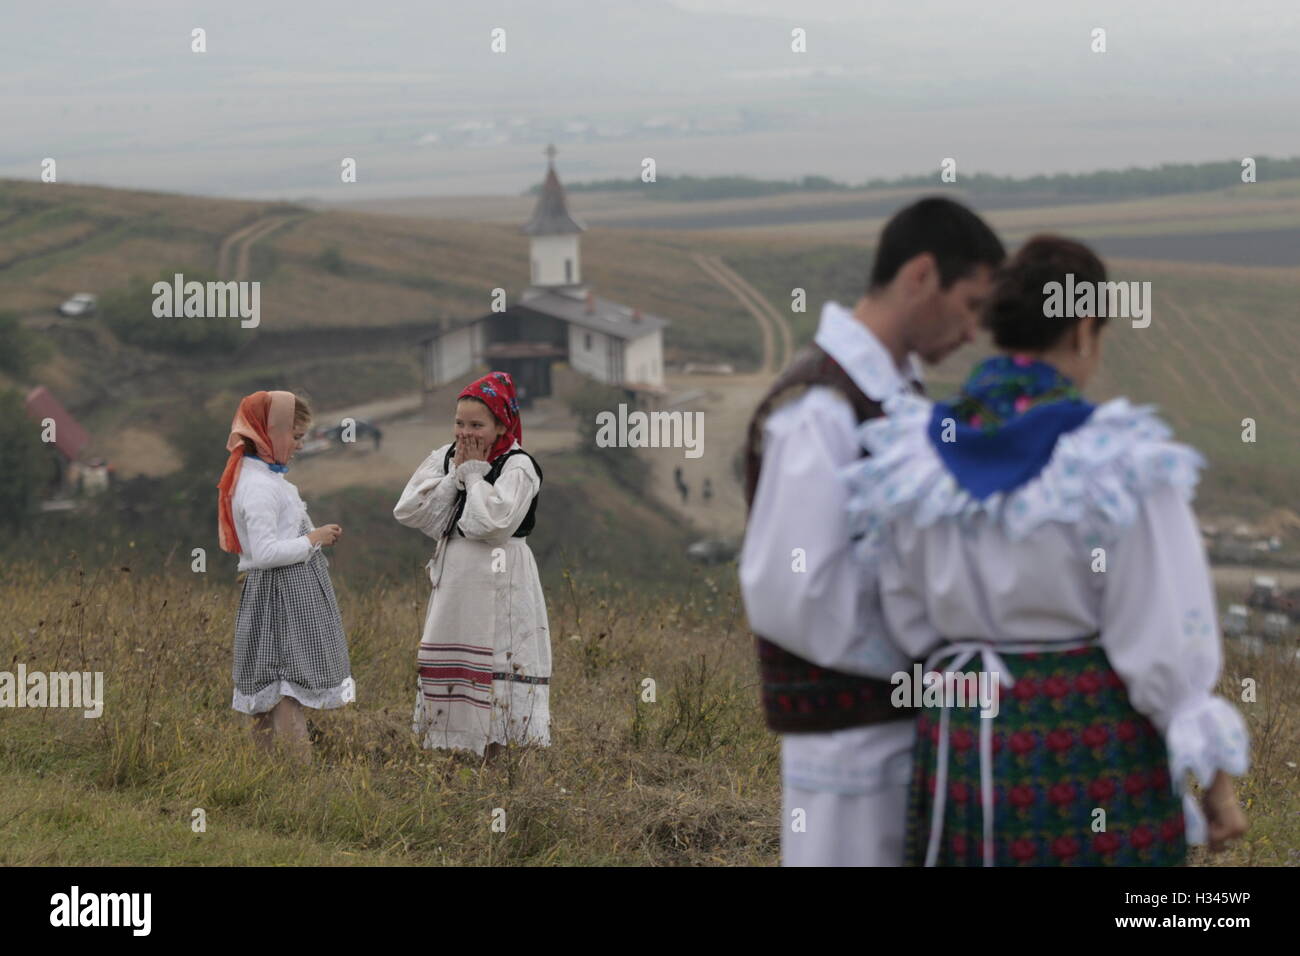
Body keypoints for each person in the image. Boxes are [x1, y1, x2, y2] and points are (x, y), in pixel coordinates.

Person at [843, 235, 1249, 865]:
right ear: (1085, 329)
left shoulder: (915, 458)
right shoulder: (1114, 463)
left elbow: (904, 616)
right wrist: (1216, 779)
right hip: (1086, 742)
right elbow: (1167, 636)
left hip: (960, 742)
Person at [739, 197, 1005, 865]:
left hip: (900, 735)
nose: (975, 332)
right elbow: (793, 594)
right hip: (846, 750)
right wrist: (935, 634)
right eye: (970, 304)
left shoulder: (897, 400)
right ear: (921, 275)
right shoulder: (822, 409)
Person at [394, 371, 550, 760]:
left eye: (477, 425)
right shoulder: (445, 457)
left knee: (498, 664)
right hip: (457, 577)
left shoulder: (518, 467)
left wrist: (476, 477)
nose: (466, 433)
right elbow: (411, 511)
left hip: (501, 576)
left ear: (501, 425)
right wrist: (455, 476)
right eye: (460, 423)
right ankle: (454, 763)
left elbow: (493, 525)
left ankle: (500, 769)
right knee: (452, 666)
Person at [218, 390, 353, 764]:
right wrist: (315, 538)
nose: (300, 445)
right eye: (295, 436)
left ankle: (265, 776)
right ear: (270, 432)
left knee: (269, 688)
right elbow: (264, 553)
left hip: (278, 591)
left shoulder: (261, 476)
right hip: (280, 593)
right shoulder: (258, 486)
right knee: (285, 687)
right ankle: (298, 782)